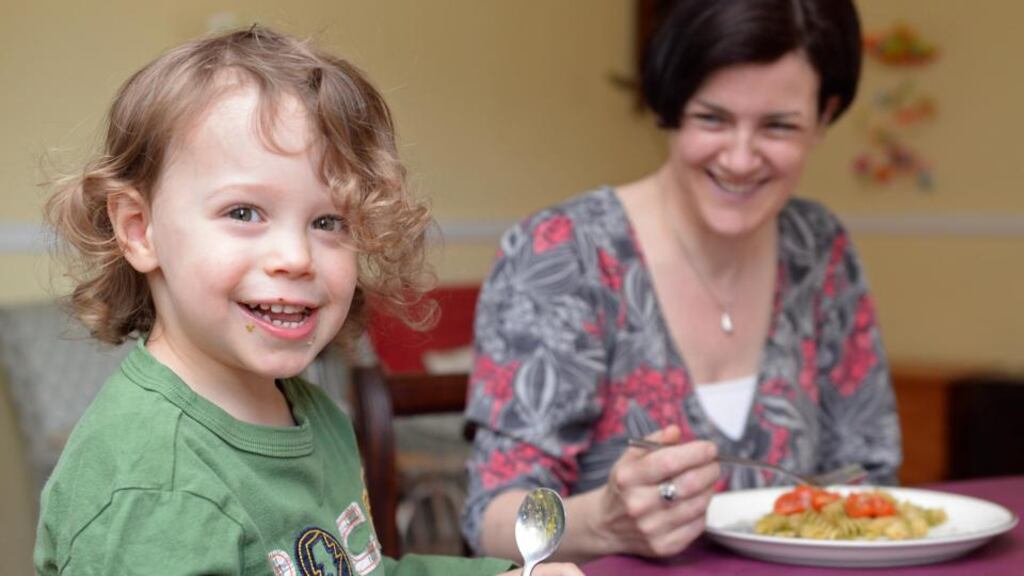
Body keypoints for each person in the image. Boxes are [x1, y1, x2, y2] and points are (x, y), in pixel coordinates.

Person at [34, 26, 582, 576]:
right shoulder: (156, 491)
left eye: (328, 221)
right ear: (140, 229)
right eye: (244, 212)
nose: (296, 257)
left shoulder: (313, 413)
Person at [463, 0, 901, 563]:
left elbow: (866, 476)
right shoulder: (565, 253)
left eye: (778, 126)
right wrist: (604, 523)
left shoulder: (820, 251)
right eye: (712, 119)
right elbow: (490, 516)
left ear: (824, 116)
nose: (740, 159)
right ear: (670, 107)